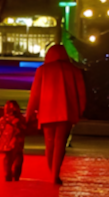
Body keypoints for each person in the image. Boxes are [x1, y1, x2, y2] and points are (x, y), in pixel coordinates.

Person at [26, 44, 86, 185]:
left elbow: (35, 94)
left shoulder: (43, 70)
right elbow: (81, 93)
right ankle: (55, 174)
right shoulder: (74, 70)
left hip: (47, 111)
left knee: (49, 143)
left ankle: (51, 171)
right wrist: (80, 111)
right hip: (67, 111)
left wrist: (29, 113)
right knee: (60, 143)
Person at [0, 100, 27, 181]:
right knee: (15, 157)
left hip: (10, 143)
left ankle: (10, 173)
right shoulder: (16, 120)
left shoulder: (3, 120)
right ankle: (12, 174)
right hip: (13, 143)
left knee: (11, 158)